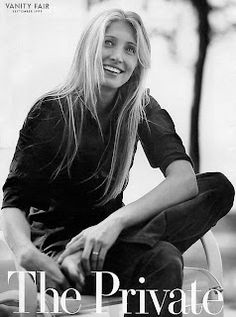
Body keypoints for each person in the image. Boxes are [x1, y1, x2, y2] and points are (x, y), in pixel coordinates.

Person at [1, 8, 235, 316]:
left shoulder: (141, 108)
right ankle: (77, 257)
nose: (118, 56)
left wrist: (112, 224)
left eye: (130, 49)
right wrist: (25, 253)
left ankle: (95, 246)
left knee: (216, 187)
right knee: (163, 258)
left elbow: (184, 180)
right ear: (90, 47)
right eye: (108, 43)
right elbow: (13, 201)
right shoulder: (51, 111)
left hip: (116, 244)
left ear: (139, 61)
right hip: (60, 257)